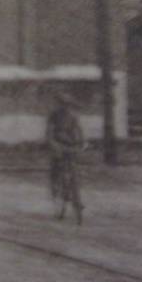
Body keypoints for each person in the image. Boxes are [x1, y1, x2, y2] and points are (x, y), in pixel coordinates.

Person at [46, 92, 86, 224]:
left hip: (70, 145)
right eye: (62, 104)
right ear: (59, 104)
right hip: (58, 144)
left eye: (67, 104)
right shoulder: (54, 116)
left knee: (74, 172)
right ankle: (56, 192)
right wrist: (53, 144)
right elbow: (50, 133)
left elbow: (79, 131)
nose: (65, 107)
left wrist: (83, 143)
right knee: (56, 171)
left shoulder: (73, 116)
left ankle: (76, 198)